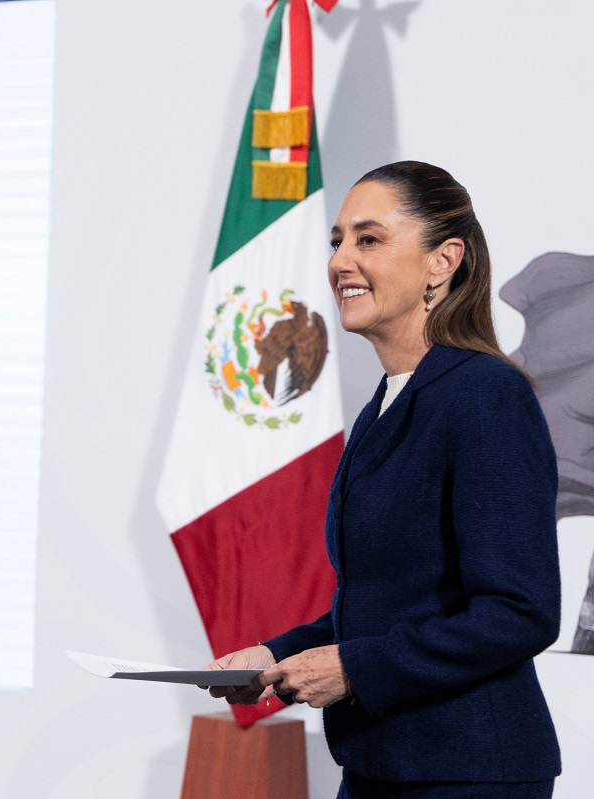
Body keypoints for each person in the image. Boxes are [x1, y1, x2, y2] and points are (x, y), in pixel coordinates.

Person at [205, 161, 562, 797]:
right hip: (380, 764)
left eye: (368, 239)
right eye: (337, 241)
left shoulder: (486, 395)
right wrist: (275, 654)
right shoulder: (389, 400)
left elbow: (520, 612)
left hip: (466, 772)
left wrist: (354, 668)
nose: (341, 261)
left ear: (443, 261)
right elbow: (390, 603)